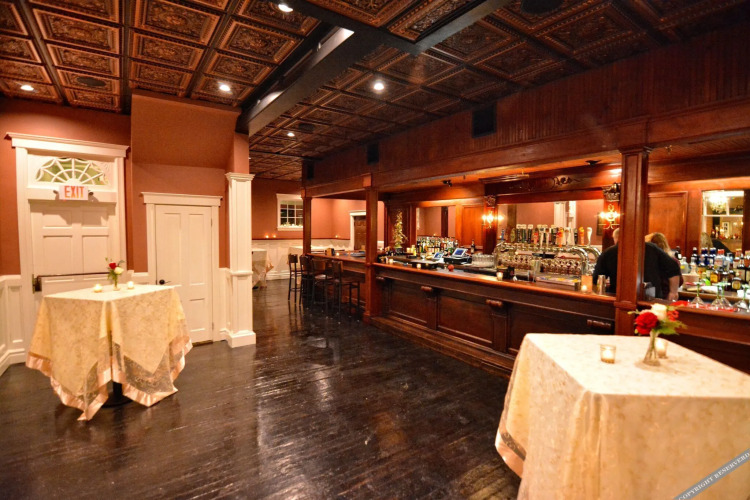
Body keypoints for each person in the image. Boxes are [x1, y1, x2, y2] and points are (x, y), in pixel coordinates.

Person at [593, 228, 681, 300]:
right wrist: (673, 292)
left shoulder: (608, 253)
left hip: (620, 297)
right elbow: (673, 267)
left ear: (616, 239)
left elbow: (596, 279)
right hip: (651, 297)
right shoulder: (651, 248)